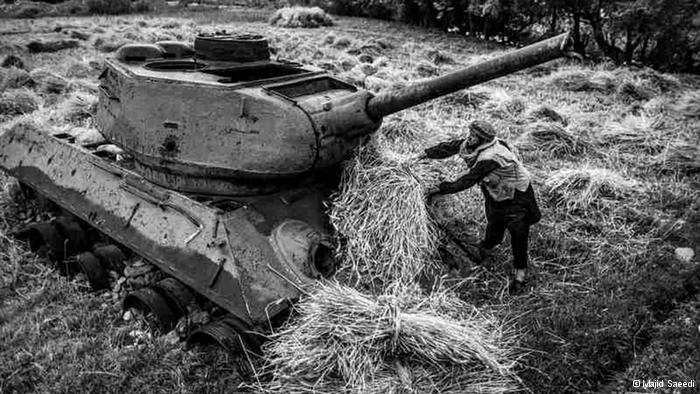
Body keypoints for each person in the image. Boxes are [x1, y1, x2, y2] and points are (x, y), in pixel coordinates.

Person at [419, 120, 541, 294]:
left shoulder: (490, 157)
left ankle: (520, 275)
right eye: (470, 134)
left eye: (474, 136)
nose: (469, 138)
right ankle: (487, 247)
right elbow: (451, 146)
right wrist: (424, 154)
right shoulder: (475, 144)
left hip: (517, 194)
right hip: (496, 190)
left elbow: (467, 181)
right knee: (495, 222)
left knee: (518, 232)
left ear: (483, 140)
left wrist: (440, 188)